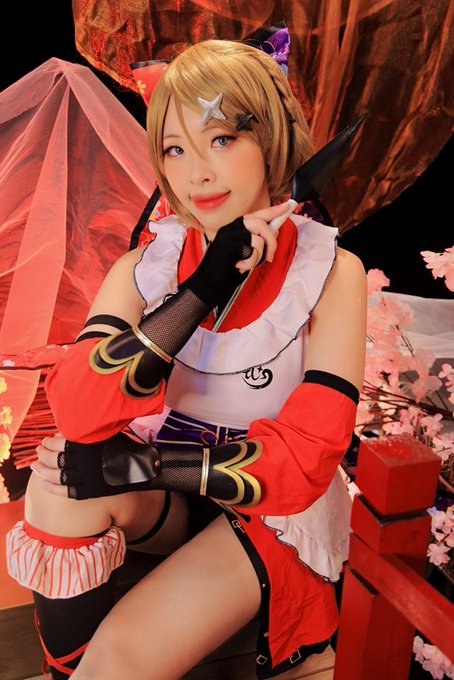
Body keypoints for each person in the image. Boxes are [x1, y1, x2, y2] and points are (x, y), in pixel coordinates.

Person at [6, 36, 367, 680]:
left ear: (272, 141)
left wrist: (139, 465)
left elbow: (307, 458)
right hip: (170, 499)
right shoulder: (146, 267)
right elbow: (79, 410)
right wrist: (201, 289)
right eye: (175, 148)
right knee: (55, 491)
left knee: (120, 660)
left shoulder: (331, 273)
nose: (196, 172)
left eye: (221, 139)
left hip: (271, 511)